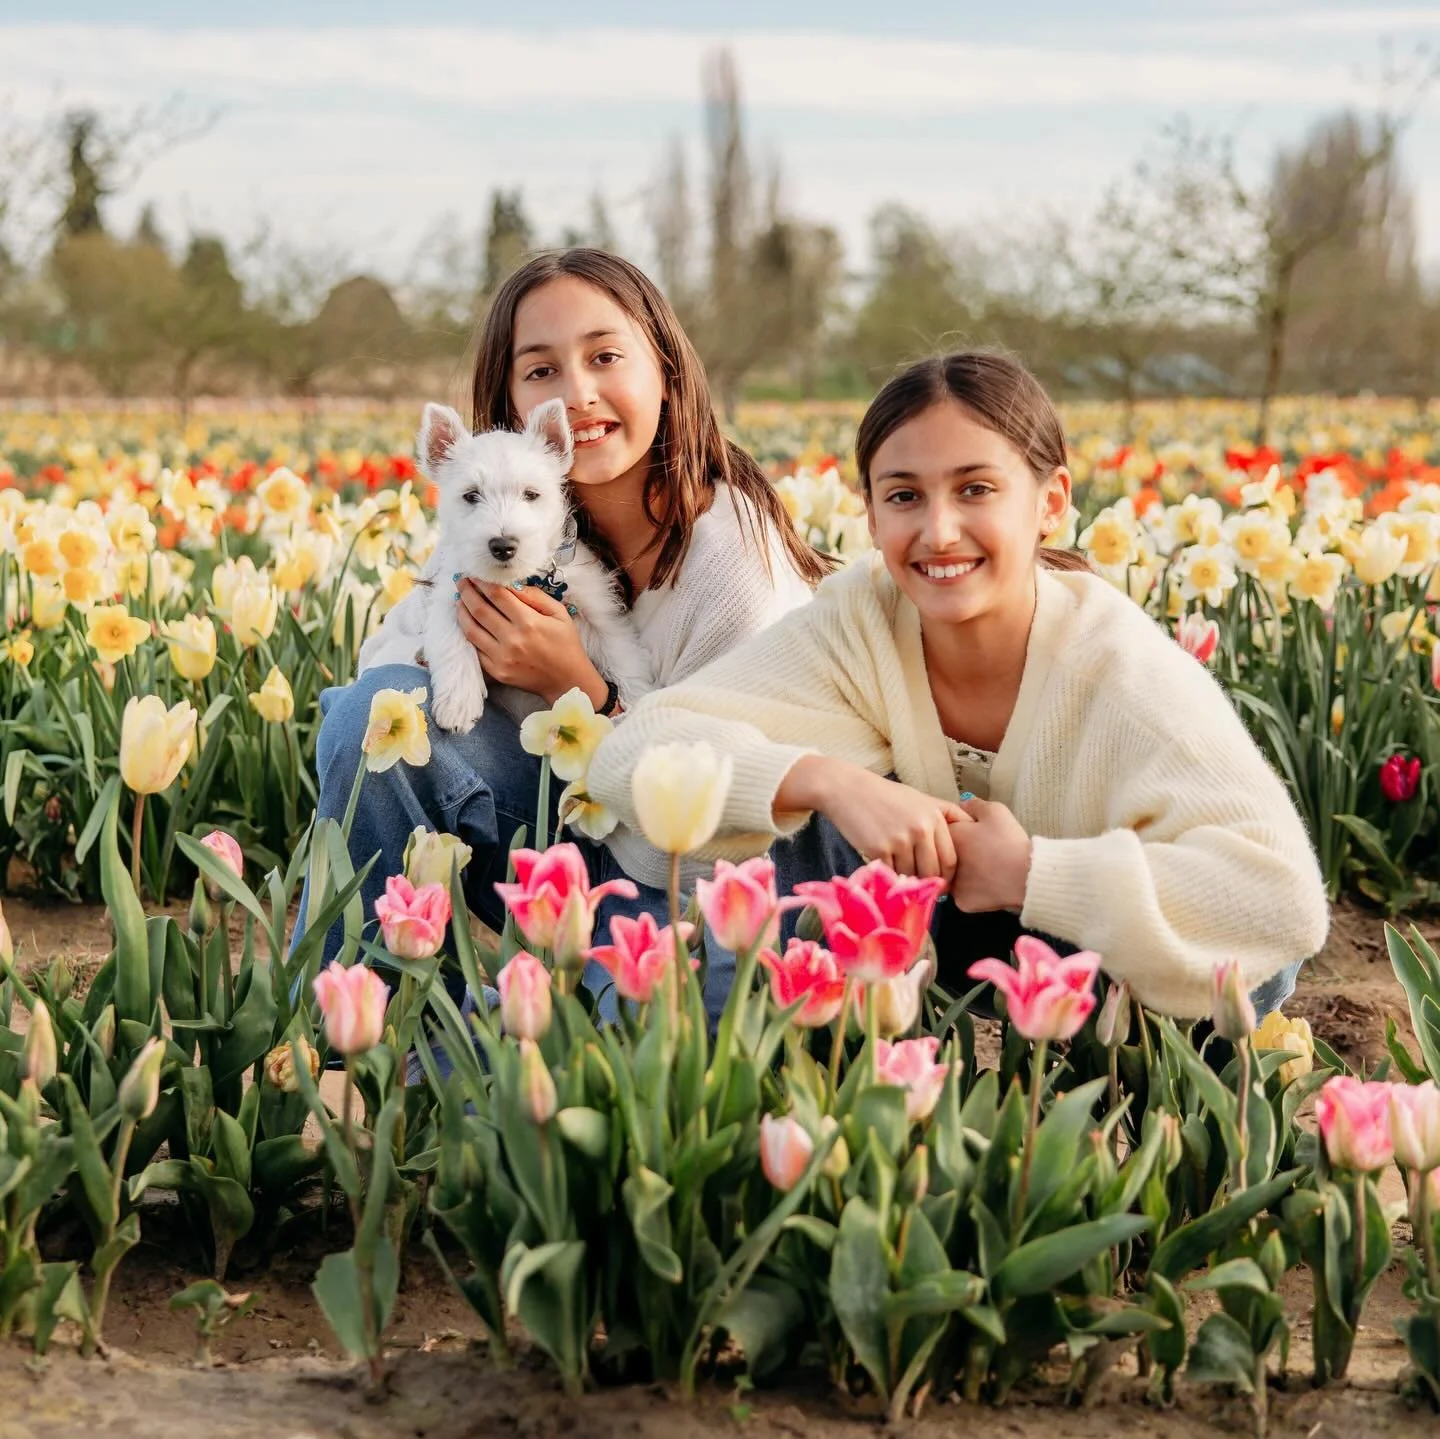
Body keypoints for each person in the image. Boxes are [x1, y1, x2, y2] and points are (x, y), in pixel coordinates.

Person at [586, 352, 1329, 1019]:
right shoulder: (861, 623)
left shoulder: (1116, 668)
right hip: (928, 943)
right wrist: (830, 781)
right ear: (870, 514)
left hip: (1098, 976)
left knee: (1241, 970)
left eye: (976, 489)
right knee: (801, 828)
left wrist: (1032, 872)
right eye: (904, 496)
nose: (939, 531)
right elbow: (635, 750)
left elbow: (1283, 903)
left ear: (1051, 502)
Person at [294, 248, 827, 1000]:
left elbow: (731, 794)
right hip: (571, 830)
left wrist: (573, 681)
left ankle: (470, 1039)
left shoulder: (736, 569)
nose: (579, 393)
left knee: (640, 1055)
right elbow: (385, 665)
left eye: (606, 355)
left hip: (693, 874)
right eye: (542, 369)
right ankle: (366, 1010)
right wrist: (453, 650)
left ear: (668, 369)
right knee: (375, 714)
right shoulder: (511, 525)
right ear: (517, 411)